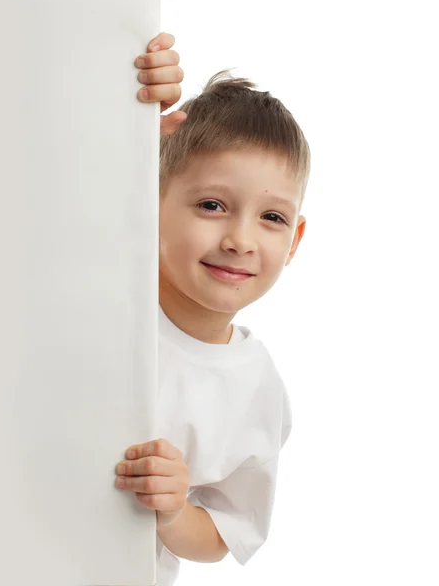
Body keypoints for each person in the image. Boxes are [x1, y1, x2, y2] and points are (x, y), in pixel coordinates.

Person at [115, 32, 310, 585]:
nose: (240, 239)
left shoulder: (256, 388)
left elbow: (224, 534)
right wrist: (124, 114)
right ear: (151, 197)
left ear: (294, 241)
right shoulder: (100, 283)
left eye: (271, 218)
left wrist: (174, 513)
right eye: (211, 205)